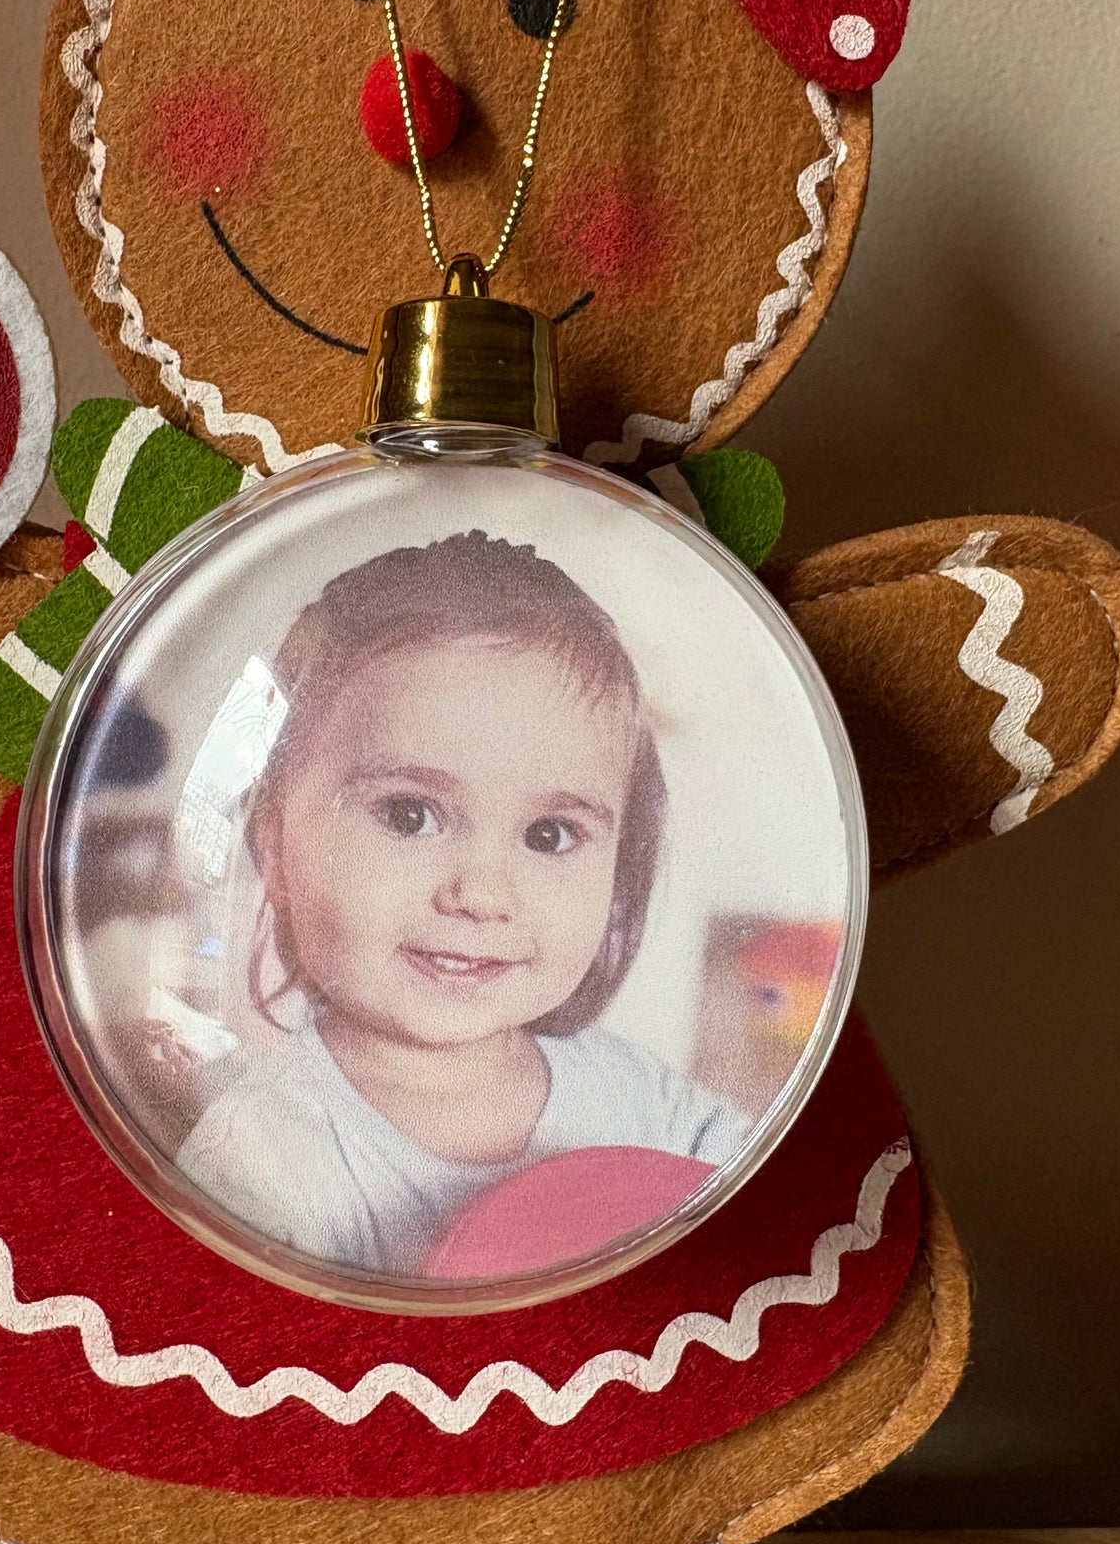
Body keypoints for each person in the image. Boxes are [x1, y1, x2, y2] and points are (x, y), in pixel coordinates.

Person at [176, 531, 748, 1276]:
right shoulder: (262, 1161)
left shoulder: (645, 1101)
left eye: (549, 834)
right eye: (408, 814)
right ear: (273, 845)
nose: (480, 895)